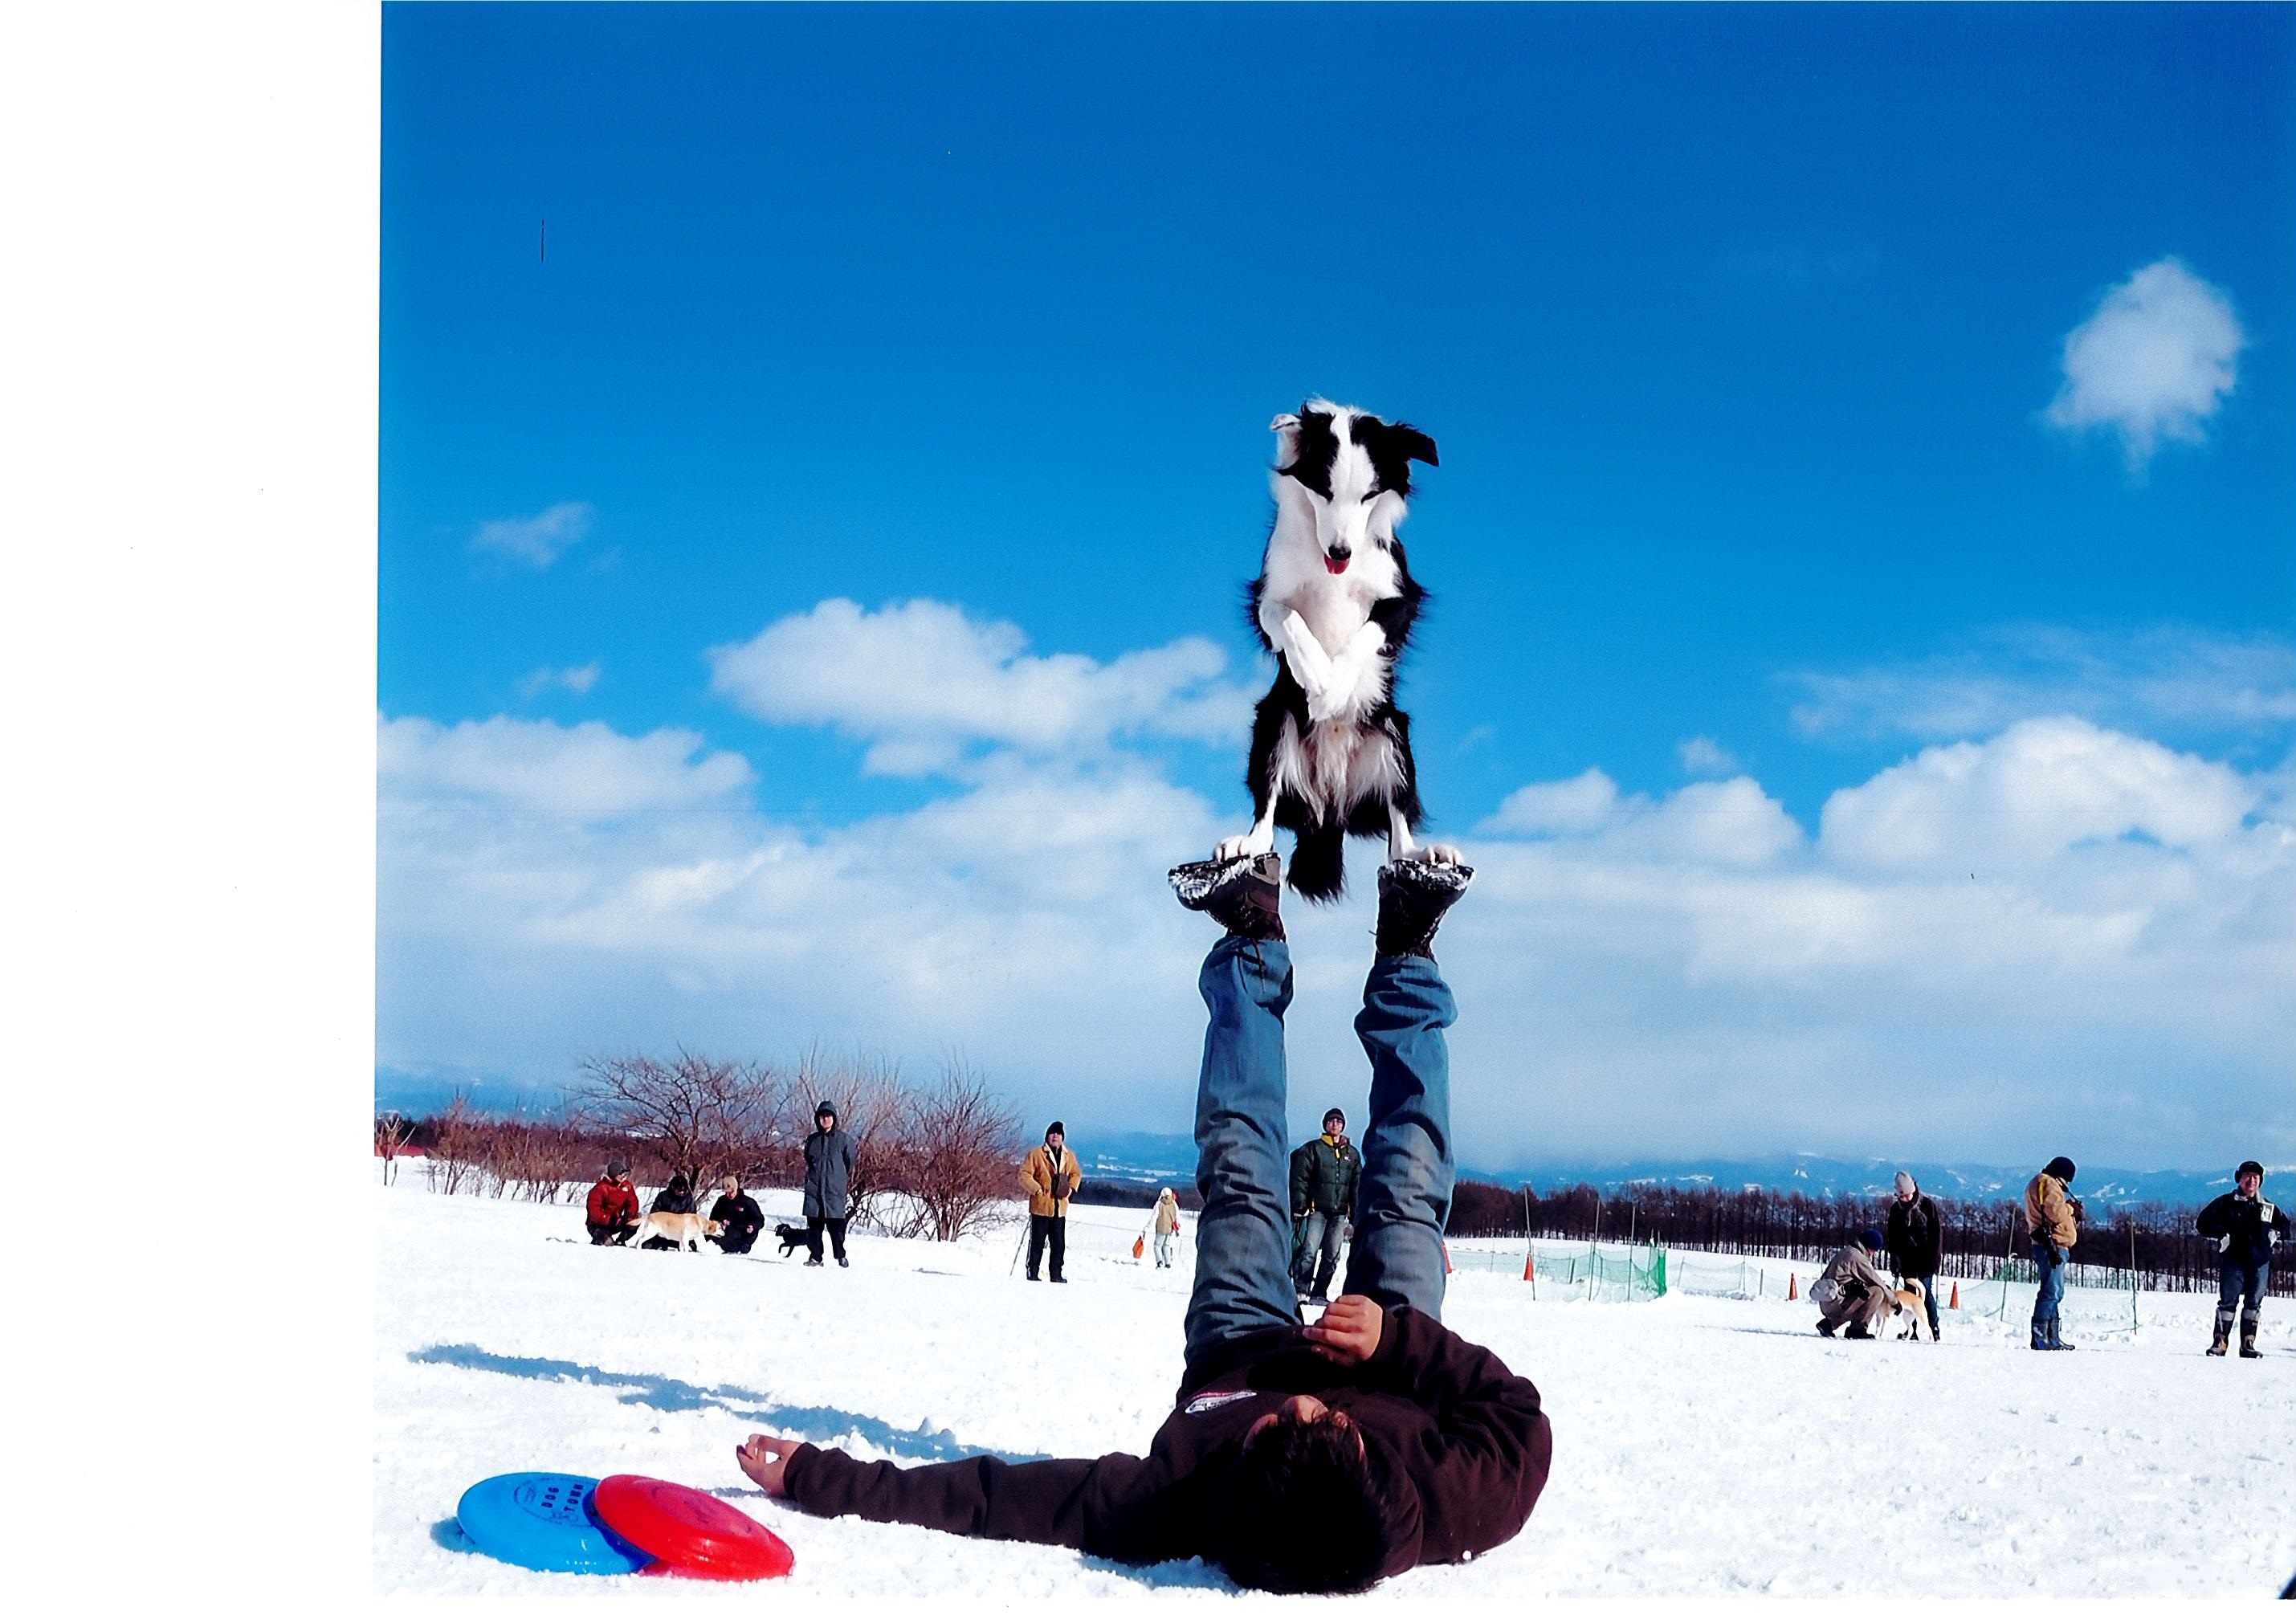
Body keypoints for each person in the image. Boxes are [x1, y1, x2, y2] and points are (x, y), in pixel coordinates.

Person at [734, 851, 1552, 1594]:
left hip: (1242, 1347)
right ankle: (1408, 950)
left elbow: (1000, 1499)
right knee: (1407, 1187)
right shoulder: (1461, 1499)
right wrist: (1396, 1342)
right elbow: (1518, 1412)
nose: (1306, 1397)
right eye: (1326, 1418)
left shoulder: (1180, 1498)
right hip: (1394, 1365)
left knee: (1240, 1169)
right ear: (1369, 1455)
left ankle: (1251, 934)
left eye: (1282, 1417)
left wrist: (818, 1474)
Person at [2196, 1160, 2287, 1359]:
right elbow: (2202, 1223)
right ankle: (2220, 1341)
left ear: (2260, 1181)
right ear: (2239, 1179)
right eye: (2247, 1176)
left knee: (2254, 1303)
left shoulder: (2268, 1207)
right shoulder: (2225, 1203)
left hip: (2260, 1262)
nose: (2251, 1180)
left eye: (2256, 1177)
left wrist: (2273, 1236)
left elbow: (2285, 1226)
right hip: (2233, 1260)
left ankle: (2248, 1343)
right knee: (2228, 1303)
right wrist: (2222, 1235)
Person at [1291, 1108, 1361, 1303]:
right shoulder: (1313, 1149)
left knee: (1332, 1255)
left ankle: (1320, 1293)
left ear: (1343, 1126)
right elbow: (1301, 1178)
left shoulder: (1352, 1155)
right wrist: (1300, 1204)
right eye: (1331, 1121)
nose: (1335, 1124)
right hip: (1317, 1211)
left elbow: (1356, 1186)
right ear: (1325, 1124)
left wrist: (1355, 1213)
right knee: (1309, 1251)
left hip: (1339, 1213)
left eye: (1339, 1121)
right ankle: (1301, 1290)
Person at [2021, 1156, 2081, 1352]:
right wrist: (2071, 1208)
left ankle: (2052, 1337)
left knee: (2055, 1292)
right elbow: (2056, 1213)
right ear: (2062, 1175)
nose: (2067, 1185)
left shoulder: (2040, 1182)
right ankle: (2041, 1338)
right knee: (2051, 1292)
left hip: (2050, 1245)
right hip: (2051, 1245)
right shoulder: (2048, 1183)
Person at [1021, 1121, 1083, 1283]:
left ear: (1062, 1138)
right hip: (1041, 1207)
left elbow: (1076, 1174)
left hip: (1060, 1207)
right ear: (1047, 1136)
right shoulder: (1036, 1154)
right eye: (1052, 1133)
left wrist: (1071, 1189)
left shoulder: (1069, 1156)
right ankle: (1032, 1272)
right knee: (1037, 1243)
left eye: (1059, 1134)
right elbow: (1024, 1174)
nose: (1055, 1136)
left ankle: (1056, 1274)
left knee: (1058, 1245)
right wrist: (1037, 1189)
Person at [1884, 1171, 1943, 1342]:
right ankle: (1912, 1330)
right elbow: (1893, 1237)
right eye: (1900, 1196)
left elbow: (1937, 1234)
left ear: (1914, 1190)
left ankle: (1933, 1326)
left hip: (1926, 1257)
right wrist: (1894, 1259)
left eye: (1907, 1195)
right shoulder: (1896, 1210)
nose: (1904, 1199)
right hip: (1907, 1258)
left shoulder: (1927, 1206)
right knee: (1909, 1292)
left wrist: (1935, 1259)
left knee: (1926, 1291)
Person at [1812, 1229, 1896, 1340]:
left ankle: (1828, 1324)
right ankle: (1856, 1329)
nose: (1873, 1254)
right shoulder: (1857, 1257)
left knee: (1865, 1292)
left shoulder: (1846, 1251)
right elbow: (1876, 1281)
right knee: (1877, 1292)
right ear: (1868, 1246)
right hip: (1835, 1302)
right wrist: (1894, 1301)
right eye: (1874, 1250)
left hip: (1827, 1300)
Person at [802, 1102, 858, 1268]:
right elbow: (808, 1159)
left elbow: (850, 1163)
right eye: (822, 1117)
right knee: (814, 1228)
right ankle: (816, 1257)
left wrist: (837, 1179)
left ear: (834, 1118)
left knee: (836, 1228)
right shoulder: (812, 1140)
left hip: (834, 1191)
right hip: (814, 1190)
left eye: (828, 1116)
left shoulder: (844, 1140)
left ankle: (840, 1256)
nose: (825, 1120)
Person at [585, 1159, 639, 1246]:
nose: (624, 1176)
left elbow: (633, 1202)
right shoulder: (600, 1189)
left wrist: (629, 1214)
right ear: (614, 1174)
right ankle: (601, 1239)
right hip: (598, 1225)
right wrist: (609, 1220)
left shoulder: (627, 1186)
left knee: (637, 1218)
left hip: (617, 1222)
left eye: (624, 1173)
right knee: (608, 1244)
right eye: (621, 1173)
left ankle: (621, 1241)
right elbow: (593, 1212)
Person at [709, 1174, 765, 1256]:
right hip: (726, 1233)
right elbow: (713, 1217)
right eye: (727, 1192)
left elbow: (759, 1220)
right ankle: (728, 1249)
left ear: (737, 1189)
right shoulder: (721, 1201)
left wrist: (752, 1226)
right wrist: (722, 1221)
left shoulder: (748, 1202)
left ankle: (742, 1248)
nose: (730, 1195)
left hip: (744, 1234)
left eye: (732, 1191)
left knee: (740, 1239)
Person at [642, 1171, 698, 1250]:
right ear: (673, 1187)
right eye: (679, 1189)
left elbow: (691, 1219)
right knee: (646, 1247)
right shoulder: (663, 1196)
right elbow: (654, 1213)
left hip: (679, 1233)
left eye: (683, 1189)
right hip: (661, 1230)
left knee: (689, 1249)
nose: (681, 1191)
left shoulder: (689, 1200)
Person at [1152, 1187, 1182, 1269]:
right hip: (1169, 1229)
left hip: (1160, 1228)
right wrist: (1177, 1230)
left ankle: (1159, 1262)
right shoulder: (1173, 1204)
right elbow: (1176, 1217)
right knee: (1166, 1246)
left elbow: (1154, 1216)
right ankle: (1168, 1263)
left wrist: (1147, 1227)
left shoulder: (1159, 1204)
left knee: (1157, 1246)